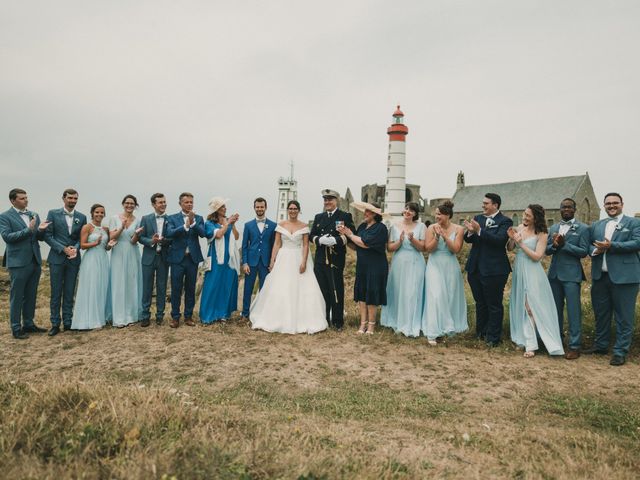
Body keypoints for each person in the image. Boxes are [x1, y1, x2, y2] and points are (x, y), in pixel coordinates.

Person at [251, 200, 327, 334]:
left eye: (295, 208)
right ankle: (277, 318)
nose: (292, 211)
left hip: (298, 257)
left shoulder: (304, 226)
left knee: (302, 287)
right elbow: (276, 244)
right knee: (281, 286)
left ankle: (303, 319)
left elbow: (305, 245)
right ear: (288, 210)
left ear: (298, 210)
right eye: (290, 208)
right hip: (283, 258)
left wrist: (303, 261)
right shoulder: (281, 225)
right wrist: (272, 261)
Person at [585, 193, 640, 366]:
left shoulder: (634, 223)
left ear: (622, 204)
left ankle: (620, 351)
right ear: (604, 206)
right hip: (600, 277)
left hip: (625, 278)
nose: (611, 206)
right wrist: (594, 251)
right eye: (608, 203)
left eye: (615, 203)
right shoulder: (597, 225)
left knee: (624, 316)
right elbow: (588, 244)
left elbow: (637, 242)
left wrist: (612, 246)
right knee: (601, 313)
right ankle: (601, 345)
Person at [507, 205, 564, 358]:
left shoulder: (542, 233)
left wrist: (521, 243)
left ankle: (532, 345)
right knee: (522, 304)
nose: (524, 217)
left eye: (528, 216)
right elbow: (510, 248)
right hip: (520, 269)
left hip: (532, 271)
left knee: (530, 306)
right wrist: (512, 239)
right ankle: (526, 339)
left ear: (536, 218)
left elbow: (538, 256)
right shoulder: (520, 227)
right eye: (524, 214)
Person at [463, 193, 513, 346]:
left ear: (495, 205)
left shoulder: (505, 221)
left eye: (486, 203)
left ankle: (493, 337)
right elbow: (468, 239)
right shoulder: (478, 218)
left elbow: (499, 241)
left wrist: (479, 231)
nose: (483, 206)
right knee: (480, 303)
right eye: (483, 203)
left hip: (495, 269)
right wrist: (471, 232)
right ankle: (481, 333)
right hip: (475, 267)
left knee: (494, 304)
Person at [0, 188, 49, 339]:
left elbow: (38, 237)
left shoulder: (33, 215)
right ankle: (16, 327)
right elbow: (8, 237)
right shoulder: (4, 216)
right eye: (22, 198)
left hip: (35, 260)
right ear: (13, 200)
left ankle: (28, 323)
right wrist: (28, 230)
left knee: (31, 294)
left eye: (26, 198)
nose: (26, 200)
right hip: (18, 262)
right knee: (17, 295)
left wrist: (40, 230)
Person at [545, 198, 590, 359]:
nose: (566, 209)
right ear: (560, 209)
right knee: (555, 310)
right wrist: (555, 246)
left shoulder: (583, 228)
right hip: (554, 274)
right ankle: (556, 342)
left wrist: (564, 245)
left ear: (574, 209)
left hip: (572, 275)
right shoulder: (554, 228)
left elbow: (583, 252)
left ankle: (574, 345)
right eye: (563, 207)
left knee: (573, 311)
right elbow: (547, 250)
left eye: (569, 207)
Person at [338, 202, 388, 334]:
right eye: (365, 211)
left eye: (368, 212)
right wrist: (344, 237)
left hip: (376, 265)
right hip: (363, 265)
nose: (365, 213)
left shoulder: (380, 228)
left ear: (376, 214)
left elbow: (365, 244)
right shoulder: (362, 226)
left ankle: (371, 325)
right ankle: (362, 324)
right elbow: (356, 246)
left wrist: (350, 234)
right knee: (362, 294)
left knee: (371, 294)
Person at [422, 200, 467, 345]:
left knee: (449, 296)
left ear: (447, 215)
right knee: (436, 295)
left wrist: (445, 237)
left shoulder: (459, 229)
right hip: (434, 264)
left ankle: (447, 327)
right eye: (436, 214)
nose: (437, 217)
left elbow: (456, 249)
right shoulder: (431, 228)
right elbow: (428, 249)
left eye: (439, 215)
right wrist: (436, 237)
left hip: (450, 264)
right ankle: (433, 332)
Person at [44, 188, 87, 336]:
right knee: (56, 292)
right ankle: (55, 323)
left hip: (73, 259)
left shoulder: (82, 217)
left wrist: (74, 248)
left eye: (75, 198)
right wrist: (63, 249)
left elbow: (82, 238)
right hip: (57, 258)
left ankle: (68, 322)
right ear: (63, 198)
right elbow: (48, 236)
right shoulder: (53, 214)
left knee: (70, 291)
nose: (73, 201)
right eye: (70, 198)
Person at [310, 189, 355, 330]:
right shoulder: (319, 217)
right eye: (325, 199)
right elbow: (311, 236)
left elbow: (350, 234)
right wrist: (319, 240)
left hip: (335, 259)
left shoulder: (344, 216)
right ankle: (323, 320)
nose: (327, 202)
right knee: (322, 290)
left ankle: (337, 321)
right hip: (320, 259)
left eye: (330, 199)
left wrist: (336, 240)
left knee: (336, 290)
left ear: (337, 201)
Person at [380, 202, 426, 337]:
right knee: (399, 290)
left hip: (415, 262)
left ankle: (412, 322)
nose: (408, 212)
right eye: (406, 209)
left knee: (412, 291)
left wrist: (413, 240)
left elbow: (423, 248)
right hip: (399, 262)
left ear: (415, 214)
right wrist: (400, 241)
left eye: (411, 210)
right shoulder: (394, 226)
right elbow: (389, 248)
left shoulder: (421, 226)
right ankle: (397, 320)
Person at [71, 204, 116, 330]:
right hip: (91, 259)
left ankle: (101, 317)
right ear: (92, 213)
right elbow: (82, 245)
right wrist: (95, 243)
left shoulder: (105, 229)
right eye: (97, 212)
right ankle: (89, 320)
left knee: (102, 286)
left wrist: (110, 245)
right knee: (92, 286)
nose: (99, 215)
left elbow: (105, 247)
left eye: (102, 213)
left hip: (103, 258)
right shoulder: (87, 227)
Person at [166, 192, 207, 328]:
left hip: (192, 259)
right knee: (176, 289)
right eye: (186, 202)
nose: (189, 204)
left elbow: (203, 234)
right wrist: (184, 226)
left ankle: (188, 316)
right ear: (180, 203)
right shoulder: (172, 218)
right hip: (177, 258)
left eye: (191, 202)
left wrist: (193, 223)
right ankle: (175, 317)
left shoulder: (199, 218)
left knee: (191, 288)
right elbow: (169, 233)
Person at [199, 197, 240, 323]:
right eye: (222, 206)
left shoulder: (228, 221)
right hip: (216, 258)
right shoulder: (209, 224)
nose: (225, 208)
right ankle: (208, 314)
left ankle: (223, 313)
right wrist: (227, 223)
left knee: (226, 284)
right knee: (213, 284)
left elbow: (237, 236)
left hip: (229, 258)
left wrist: (232, 224)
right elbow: (218, 235)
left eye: (225, 206)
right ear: (216, 210)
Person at [108, 194, 143, 327]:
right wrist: (122, 227)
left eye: (132, 203)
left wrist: (137, 234)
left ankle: (131, 315)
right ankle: (119, 317)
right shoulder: (114, 218)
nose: (129, 205)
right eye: (127, 203)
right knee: (118, 282)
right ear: (123, 204)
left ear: (135, 205)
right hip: (118, 251)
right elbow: (112, 236)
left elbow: (134, 241)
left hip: (132, 251)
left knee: (131, 282)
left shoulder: (137, 220)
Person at [138, 193, 172, 327]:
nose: (163, 204)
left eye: (164, 202)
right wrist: (151, 241)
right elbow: (140, 238)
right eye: (160, 202)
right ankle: (145, 315)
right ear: (153, 204)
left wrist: (164, 240)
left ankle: (159, 315)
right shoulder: (145, 219)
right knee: (146, 287)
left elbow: (173, 238)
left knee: (162, 286)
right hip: (148, 257)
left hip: (163, 257)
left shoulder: (171, 219)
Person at [241, 197, 276, 320]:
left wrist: (273, 261)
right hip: (251, 262)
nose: (260, 209)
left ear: (265, 208)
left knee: (265, 289)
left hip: (265, 262)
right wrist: (244, 262)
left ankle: (262, 313)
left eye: (262, 207)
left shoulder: (273, 225)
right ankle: (245, 313)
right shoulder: (248, 225)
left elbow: (274, 245)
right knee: (248, 289)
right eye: (257, 207)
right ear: (254, 208)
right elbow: (244, 245)